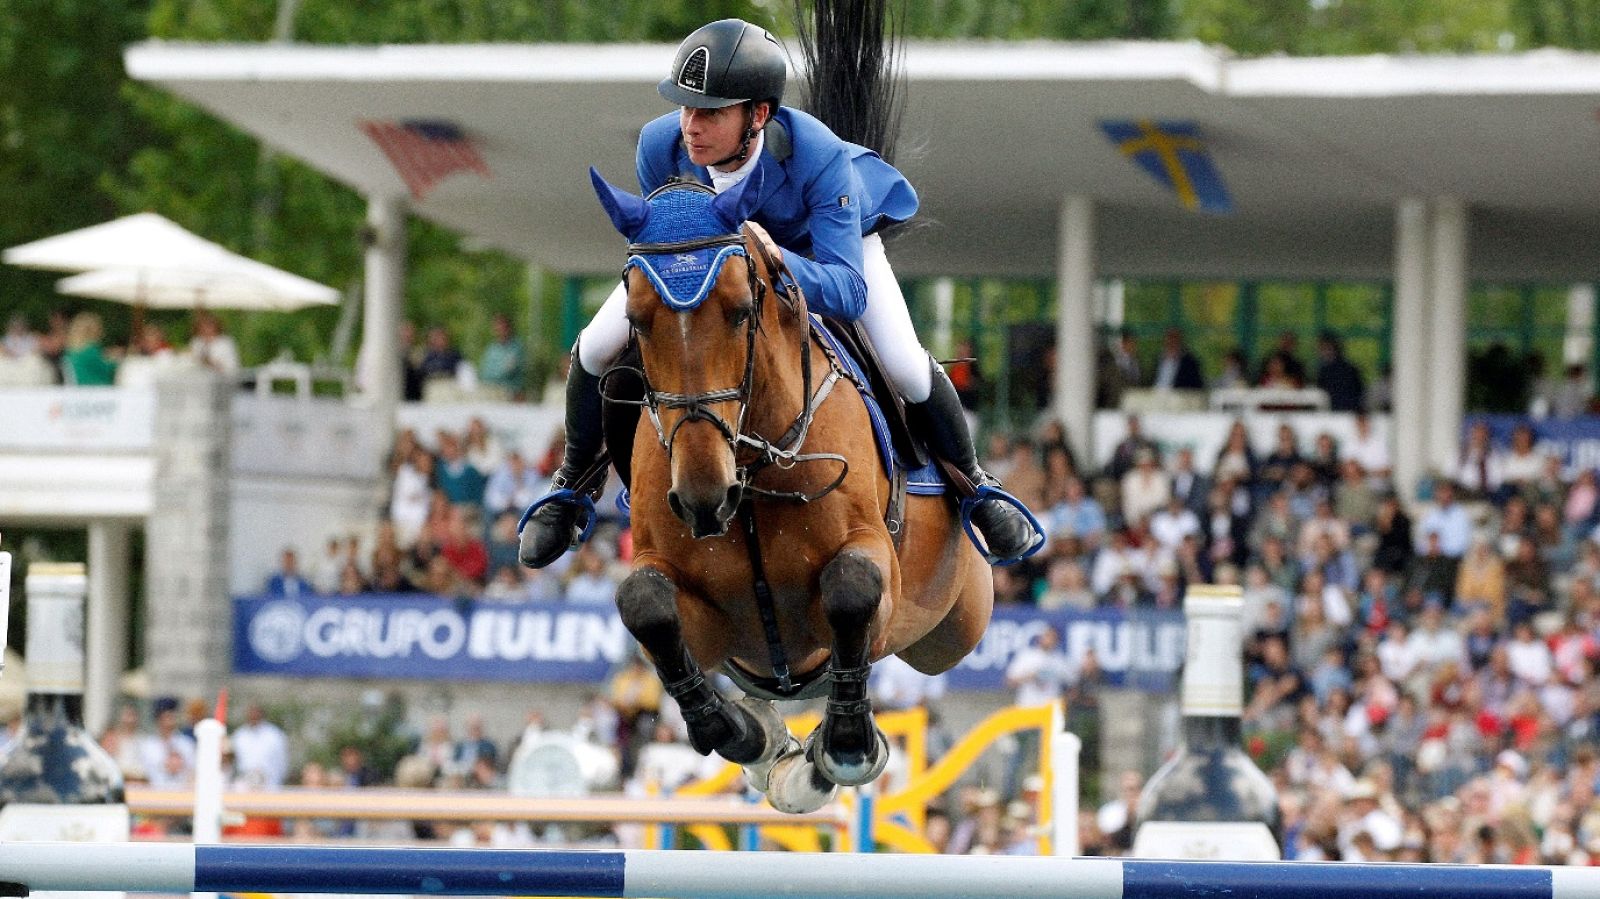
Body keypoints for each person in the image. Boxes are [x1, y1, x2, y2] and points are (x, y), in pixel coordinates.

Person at [518, 18, 1039, 568]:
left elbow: (847, 290)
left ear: (757, 115)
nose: (690, 126)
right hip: (713, 271)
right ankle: (572, 485)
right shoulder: (659, 146)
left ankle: (975, 486)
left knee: (906, 366)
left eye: (711, 112)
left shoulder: (817, 154)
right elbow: (664, 251)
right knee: (595, 346)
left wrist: (771, 261)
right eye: (686, 108)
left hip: (820, 253)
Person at [478, 313, 526, 398]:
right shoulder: (491, 349)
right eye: (497, 327)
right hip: (491, 391)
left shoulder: (517, 348)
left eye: (502, 327)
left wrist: (492, 376)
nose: (499, 330)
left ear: (509, 328)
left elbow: (508, 371)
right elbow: (484, 372)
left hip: (511, 393)